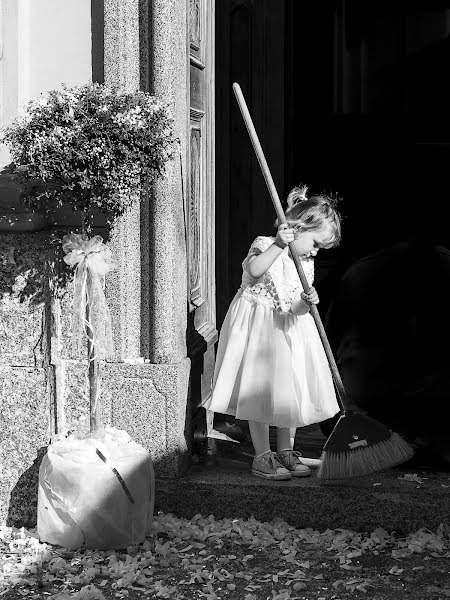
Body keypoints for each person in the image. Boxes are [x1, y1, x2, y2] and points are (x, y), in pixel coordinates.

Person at [205, 186, 342, 480]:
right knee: (261, 389)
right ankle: (262, 454)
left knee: (289, 389)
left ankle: (286, 450)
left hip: (290, 329)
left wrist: (306, 302)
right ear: (300, 227)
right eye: (316, 244)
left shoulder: (306, 262)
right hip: (259, 326)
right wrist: (280, 244)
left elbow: (294, 307)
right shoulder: (266, 243)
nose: (316, 252)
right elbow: (254, 270)